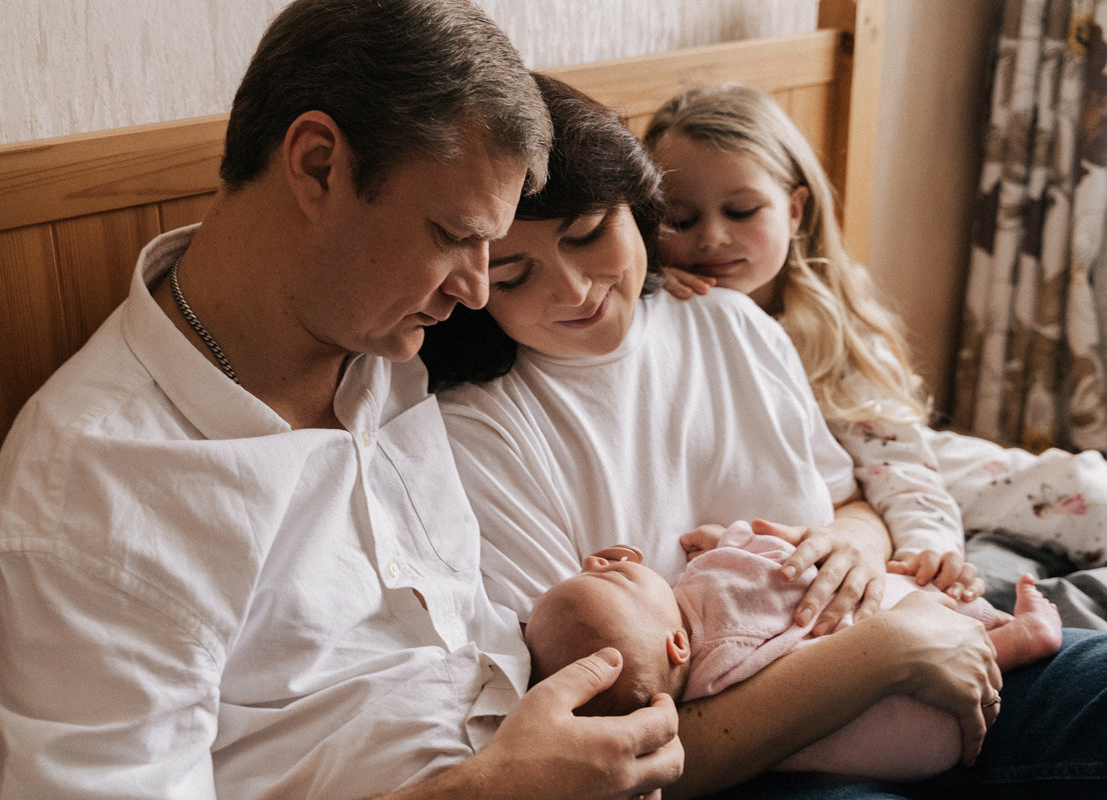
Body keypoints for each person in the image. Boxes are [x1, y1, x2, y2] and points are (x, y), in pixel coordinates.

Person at [0, 3, 685, 799]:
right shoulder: (96, 500)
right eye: (452, 236)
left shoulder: (385, 338)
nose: (475, 290)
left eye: (489, 251)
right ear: (319, 165)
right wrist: (492, 790)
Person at [421, 71, 1107, 798]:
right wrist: (887, 652)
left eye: (589, 235)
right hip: (754, 758)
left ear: (637, 207)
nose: (574, 289)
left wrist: (857, 545)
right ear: (471, 284)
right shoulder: (478, 434)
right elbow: (605, 750)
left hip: (929, 648)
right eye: (515, 275)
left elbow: (850, 500)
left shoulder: (731, 321)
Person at [641, 83, 1107, 612]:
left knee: (1084, 491)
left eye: (742, 210)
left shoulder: (825, 323)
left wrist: (928, 547)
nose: (711, 238)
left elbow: (900, 463)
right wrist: (648, 286)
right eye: (680, 220)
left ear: (795, 210)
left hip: (905, 463)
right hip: (868, 486)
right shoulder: (659, 316)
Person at [526, 528, 1063, 783]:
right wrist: (727, 538)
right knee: (909, 612)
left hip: (912, 750)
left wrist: (862, 541)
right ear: (677, 644)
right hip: (932, 690)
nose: (597, 563)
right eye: (614, 578)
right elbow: (776, 559)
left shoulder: (701, 688)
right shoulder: (712, 585)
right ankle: (1019, 639)